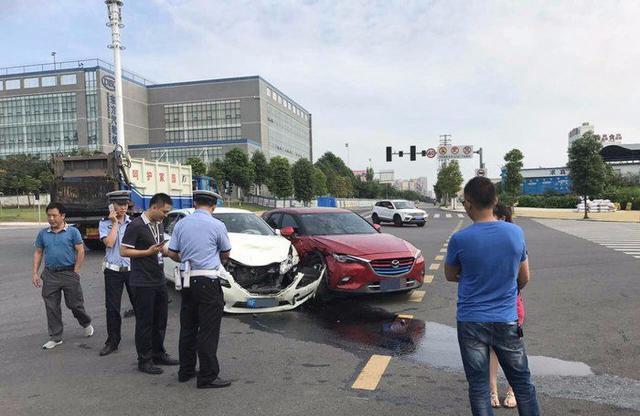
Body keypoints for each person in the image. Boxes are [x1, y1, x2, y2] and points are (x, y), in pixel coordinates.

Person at [445, 177, 540, 416]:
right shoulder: (515, 233)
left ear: (467, 204)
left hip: (471, 321)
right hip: (507, 319)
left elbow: (450, 274)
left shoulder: (460, 239)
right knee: (522, 385)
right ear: (495, 200)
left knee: (478, 387)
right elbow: (525, 277)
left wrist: (474, 275)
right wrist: (505, 284)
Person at [164, 190, 232, 389]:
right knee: (208, 331)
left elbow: (174, 253)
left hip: (187, 281)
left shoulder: (181, 224)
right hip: (208, 281)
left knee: (188, 327)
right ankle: (208, 376)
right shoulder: (217, 225)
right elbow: (226, 252)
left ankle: (185, 371)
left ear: (195, 203)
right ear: (213, 206)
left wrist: (187, 258)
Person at [120, 193, 178, 375]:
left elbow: (160, 249)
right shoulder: (135, 225)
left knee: (160, 320)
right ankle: (144, 360)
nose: (166, 215)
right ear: (154, 207)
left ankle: (158, 353)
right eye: (164, 211)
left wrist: (175, 254)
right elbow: (124, 251)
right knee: (145, 322)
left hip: (158, 279)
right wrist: (147, 252)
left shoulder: (158, 224)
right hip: (142, 281)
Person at [32, 202, 93, 349]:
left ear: (63, 216)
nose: (51, 218)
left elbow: (80, 251)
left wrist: (76, 271)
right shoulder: (43, 234)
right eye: (49, 215)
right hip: (50, 274)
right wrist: (35, 272)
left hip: (69, 273)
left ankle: (85, 322)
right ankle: (56, 336)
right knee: (51, 306)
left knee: (74, 304)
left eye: (54, 215)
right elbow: (38, 252)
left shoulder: (72, 232)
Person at [489, 202, 525, 409]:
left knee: (512, 349)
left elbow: (524, 275)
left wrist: (512, 291)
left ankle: (512, 390)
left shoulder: (514, 237)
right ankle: (492, 390)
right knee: (494, 349)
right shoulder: (486, 239)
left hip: (511, 303)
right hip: (492, 304)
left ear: (501, 218)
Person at [98, 190, 136, 357]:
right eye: (120, 204)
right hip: (113, 271)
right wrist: (114, 223)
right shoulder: (104, 223)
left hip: (132, 271)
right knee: (112, 308)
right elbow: (109, 243)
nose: (123, 207)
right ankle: (113, 341)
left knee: (140, 305)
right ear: (111, 206)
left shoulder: (133, 223)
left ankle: (144, 337)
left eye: (125, 204)